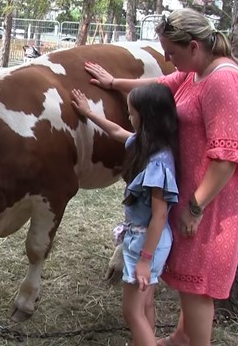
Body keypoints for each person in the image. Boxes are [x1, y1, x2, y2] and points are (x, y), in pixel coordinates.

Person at [82, 8, 238, 346]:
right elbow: (158, 85)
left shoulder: (223, 81)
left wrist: (194, 206)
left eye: (171, 52)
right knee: (189, 285)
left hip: (212, 206)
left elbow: (226, 160)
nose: (165, 58)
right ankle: (180, 339)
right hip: (190, 196)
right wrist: (114, 83)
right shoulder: (196, 72)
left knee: (198, 289)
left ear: (193, 47)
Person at [71, 83, 179, 346]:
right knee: (145, 304)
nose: (129, 118)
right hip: (148, 240)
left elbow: (160, 216)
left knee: (131, 312)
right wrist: (89, 112)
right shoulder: (149, 145)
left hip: (145, 241)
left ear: (147, 116)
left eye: (132, 113)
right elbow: (117, 131)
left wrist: (144, 259)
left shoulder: (157, 164)